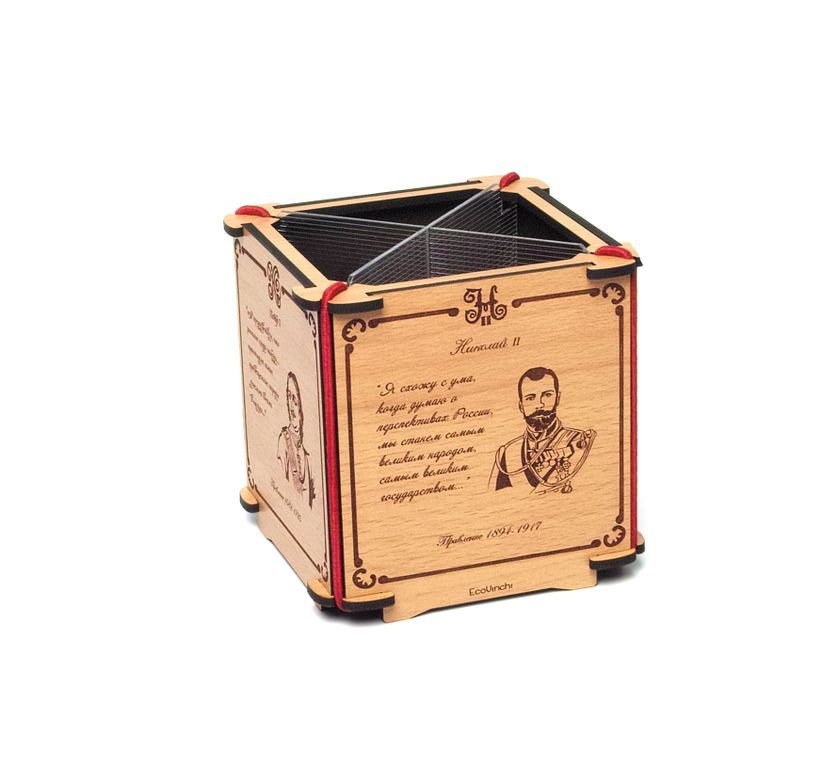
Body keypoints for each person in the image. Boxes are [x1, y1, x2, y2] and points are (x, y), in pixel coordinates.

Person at [489, 367, 595, 493]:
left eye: (547, 395)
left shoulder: (581, 440)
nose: (539, 404)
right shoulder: (507, 452)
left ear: (558, 399)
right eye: (530, 398)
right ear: (521, 406)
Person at [277, 371, 315, 507]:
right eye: (288, 397)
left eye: (295, 400)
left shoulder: (308, 459)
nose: (292, 407)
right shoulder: (284, 441)